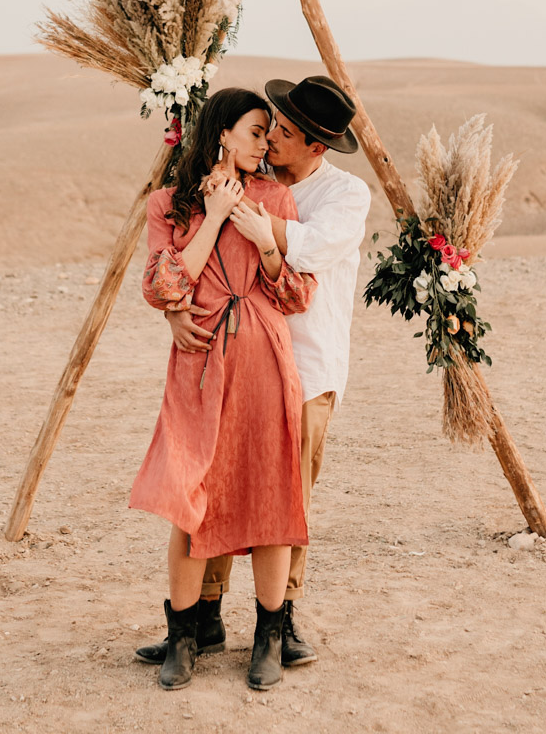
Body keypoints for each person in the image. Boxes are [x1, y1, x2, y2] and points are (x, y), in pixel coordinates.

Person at [136, 75, 371, 670]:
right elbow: (170, 279)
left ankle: (280, 622)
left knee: (281, 494)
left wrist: (259, 227)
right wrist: (176, 308)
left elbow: (304, 264)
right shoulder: (200, 194)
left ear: (315, 145)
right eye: (265, 130)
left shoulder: (340, 195)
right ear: (225, 134)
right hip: (213, 356)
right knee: (207, 487)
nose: (271, 142)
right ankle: (202, 618)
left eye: (280, 133)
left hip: (301, 359)